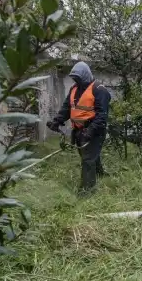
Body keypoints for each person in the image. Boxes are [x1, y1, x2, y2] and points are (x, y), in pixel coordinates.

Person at [47, 61, 111, 194]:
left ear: (85, 75)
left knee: (88, 159)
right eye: (74, 78)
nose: (76, 80)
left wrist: (91, 131)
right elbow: (67, 108)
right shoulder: (74, 89)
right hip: (79, 130)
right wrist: (57, 121)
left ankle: (87, 190)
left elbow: (102, 115)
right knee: (90, 156)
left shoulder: (99, 90)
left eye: (78, 78)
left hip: (94, 131)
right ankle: (100, 174)